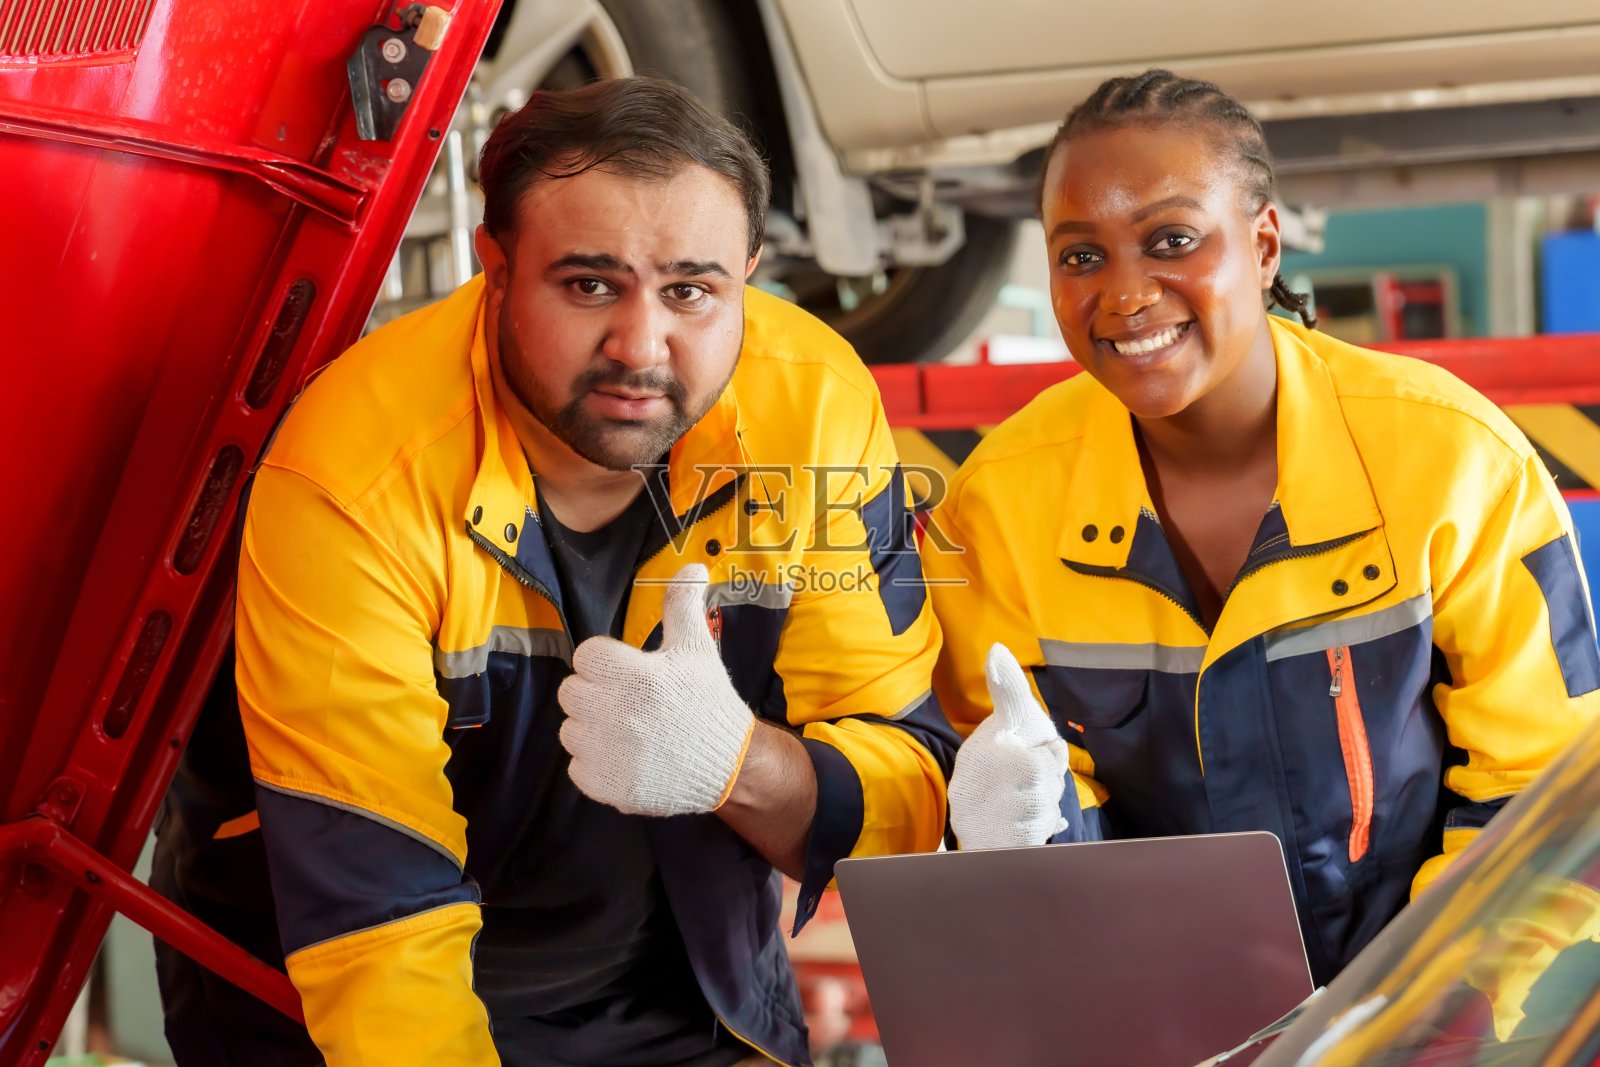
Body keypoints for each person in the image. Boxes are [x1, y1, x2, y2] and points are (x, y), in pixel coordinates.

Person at [151, 76, 955, 1067]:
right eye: (588, 284)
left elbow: (900, 799)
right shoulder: (355, 471)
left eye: (691, 290)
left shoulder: (815, 411)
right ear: (496, 268)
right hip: (331, 1011)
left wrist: (738, 765)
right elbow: (379, 918)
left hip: (679, 1000)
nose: (640, 345)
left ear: (748, 273)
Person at [925, 68, 1600, 986]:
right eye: (1080, 255)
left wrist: (1433, 1021)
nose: (1123, 295)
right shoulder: (1001, 504)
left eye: (1171, 239)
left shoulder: (1453, 457)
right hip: (1155, 1013)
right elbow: (1031, 810)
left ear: (1266, 242)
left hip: (1431, 1003)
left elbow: (1541, 793)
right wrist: (1020, 834)